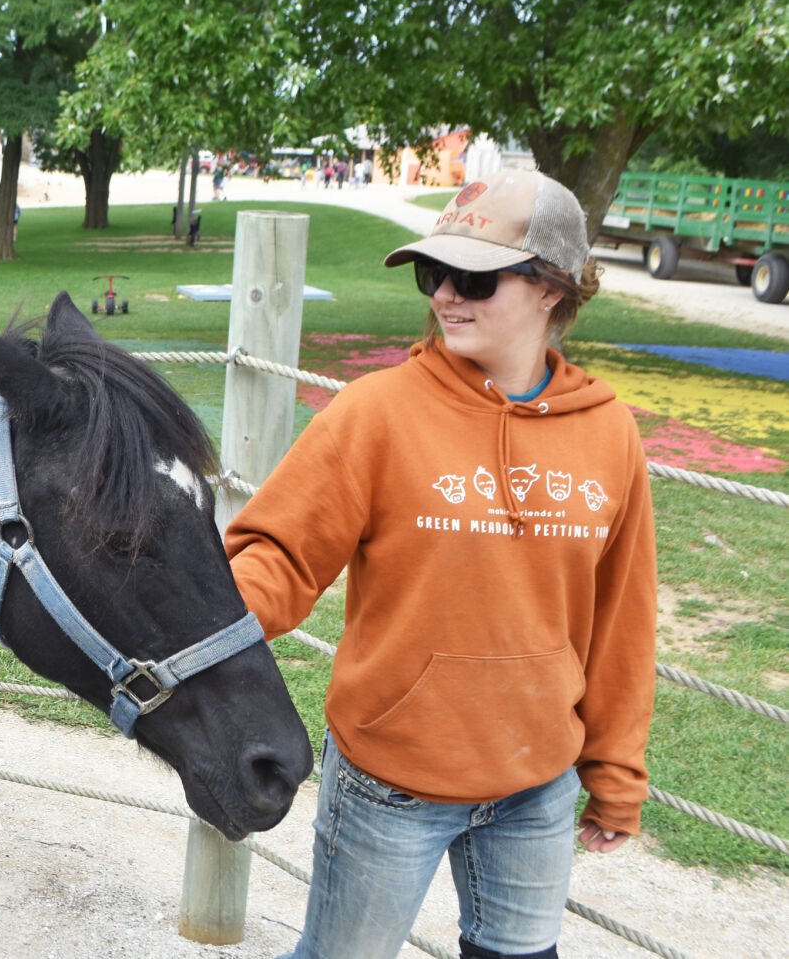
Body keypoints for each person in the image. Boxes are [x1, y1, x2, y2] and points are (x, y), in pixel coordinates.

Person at [225, 169, 656, 959]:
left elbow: (621, 617)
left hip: (536, 784)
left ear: (550, 289)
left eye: (474, 277)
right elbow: (276, 558)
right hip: (391, 781)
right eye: (434, 273)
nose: (446, 296)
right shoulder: (374, 411)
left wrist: (614, 769)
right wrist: (197, 623)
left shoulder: (609, 433)